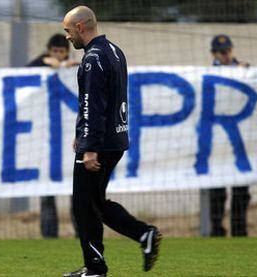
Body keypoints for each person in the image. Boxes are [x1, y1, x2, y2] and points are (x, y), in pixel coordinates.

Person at [61, 6, 161, 277]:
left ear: (81, 27)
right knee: (95, 202)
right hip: (115, 138)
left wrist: (89, 145)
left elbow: (93, 104)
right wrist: (83, 134)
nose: (68, 38)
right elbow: (107, 100)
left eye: (68, 31)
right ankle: (144, 235)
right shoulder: (115, 51)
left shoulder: (92, 58)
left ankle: (95, 268)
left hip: (99, 144)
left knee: (84, 207)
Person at [27, 33, 79, 238]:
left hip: (70, 138)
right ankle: (49, 237)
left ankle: (81, 233)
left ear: (67, 53)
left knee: (77, 193)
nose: (57, 56)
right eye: (54, 52)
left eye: (61, 52)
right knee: (47, 192)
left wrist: (67, 68)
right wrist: (43, 63)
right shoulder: (38, 65)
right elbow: (19, 76)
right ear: (48, 51)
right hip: (45, 140)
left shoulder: (76, 68)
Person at [208, 34, 251, 237]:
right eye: (221, 52)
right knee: (217, 192)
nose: (225, 55)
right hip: (217, 142)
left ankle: (239, 230)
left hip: (241, 139)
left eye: (227, 51)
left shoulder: (246, 70)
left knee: (241, 191)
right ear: (214, 54)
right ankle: (217, 230)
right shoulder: (207, 74)